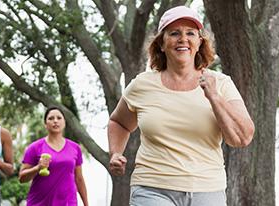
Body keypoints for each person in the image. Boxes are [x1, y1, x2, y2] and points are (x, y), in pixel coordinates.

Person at [107, 6, 256, 206]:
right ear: (161, 43)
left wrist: (214, 97)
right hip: (152, 188)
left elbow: (242, 137)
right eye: (174, 33)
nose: (183, 39)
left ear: (199, 42)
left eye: (190, 33)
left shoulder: (221, 84)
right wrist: (116, 152)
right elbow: (119, 122)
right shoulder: (142, 84)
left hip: (207, 189)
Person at [19, 106, 89, 206]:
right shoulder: (34, 148)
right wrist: (38, 168)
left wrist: (86, 204)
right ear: (45, 124)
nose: (55, 121)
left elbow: (79, 179)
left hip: (68, 202)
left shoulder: (75, 148)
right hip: (40, 203)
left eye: (59, 118)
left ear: (64, 122)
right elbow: (22, 178)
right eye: (51, 118)